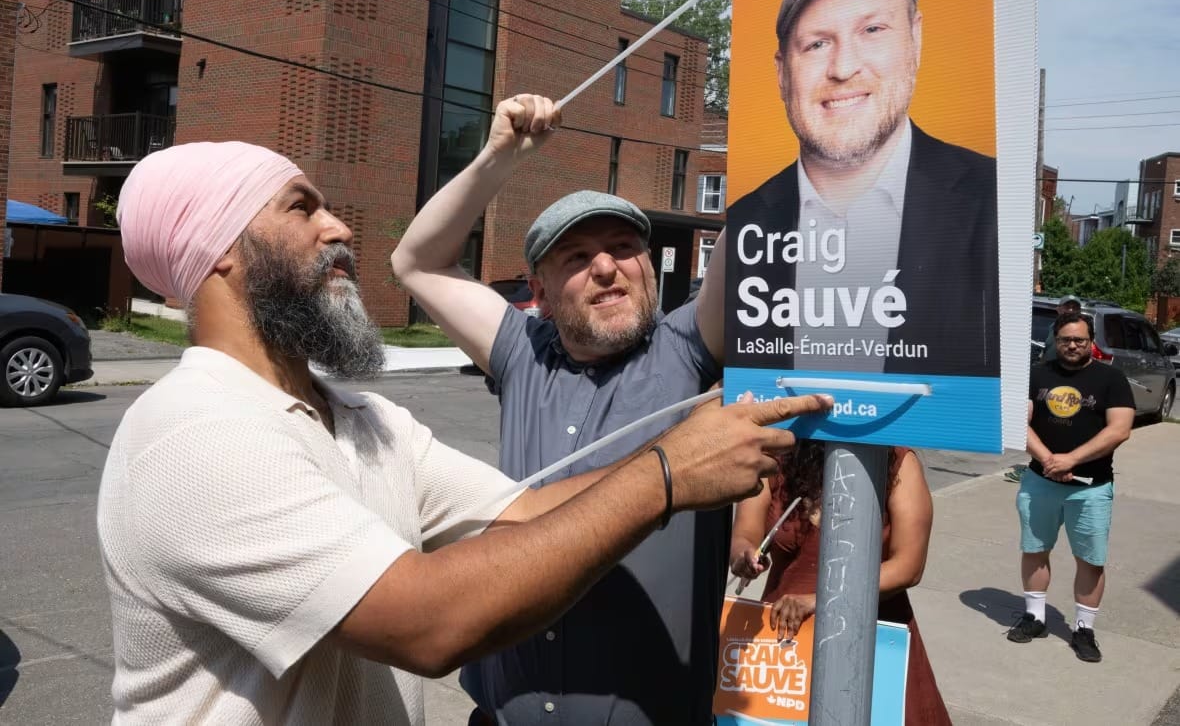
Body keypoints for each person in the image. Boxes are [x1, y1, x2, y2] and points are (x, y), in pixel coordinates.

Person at [96, 139, 830, 724]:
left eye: (623, 249)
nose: (340, 226)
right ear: (220, 247)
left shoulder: (370, 423)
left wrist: (688, 459)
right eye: (301, 208)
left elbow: (526, 511)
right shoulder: (196, 437)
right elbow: (430, 624)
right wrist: (668, 471)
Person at [392, 94, 732, 724]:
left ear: (650, 270)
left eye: (625, 247)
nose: (606, 266)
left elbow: (760, 237)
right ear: (540, 292)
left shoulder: (688, 349)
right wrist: (499, 157)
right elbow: (416, 262)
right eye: (576, 258)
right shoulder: (523, 353)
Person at [725, 0, 998, 377]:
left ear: (915, 39)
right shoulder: (745, 227)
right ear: (781, 73)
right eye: (816, 44)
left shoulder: (994, 202)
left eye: (872, 30)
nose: (843, 67)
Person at [730, 441, 952, 725]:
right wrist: (743, 554)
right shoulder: (779, 452)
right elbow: (745, 533)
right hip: (785, 639)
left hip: (871, 637)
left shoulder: (896, 460)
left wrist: (821, 599)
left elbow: (909, 567)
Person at [1008, 310, 1134, 662]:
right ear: (1055, 341)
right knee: (1035, 549)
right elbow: (1019, 419)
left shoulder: (1111, 379)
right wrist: (1050, 459)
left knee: (1090, 560)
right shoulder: (1036, 374)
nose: (1073, 345)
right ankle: (1035, 618)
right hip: (1040, 481)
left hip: (1090, 487)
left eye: (1079, 339)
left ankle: (1083, 629)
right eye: (1065, 340)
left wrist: (1071, 460)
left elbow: (1119, 429)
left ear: (1091, 341)